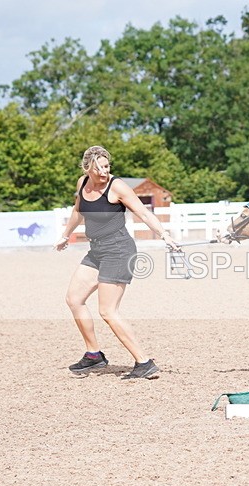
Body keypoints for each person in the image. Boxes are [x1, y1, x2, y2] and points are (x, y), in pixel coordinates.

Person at [53, 145, 178, 379]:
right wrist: (65, 235)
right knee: (74, 299)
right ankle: (93, 355)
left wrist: (164, 235)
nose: (103, 172)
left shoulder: (117, 186)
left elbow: (143, 213)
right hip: (96, 251)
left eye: (106, 166)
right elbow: (78, 211)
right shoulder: (82, 183)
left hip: (118, 250)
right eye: (98, 168)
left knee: (108, 311)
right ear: (87, 168)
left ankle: (144, 362)